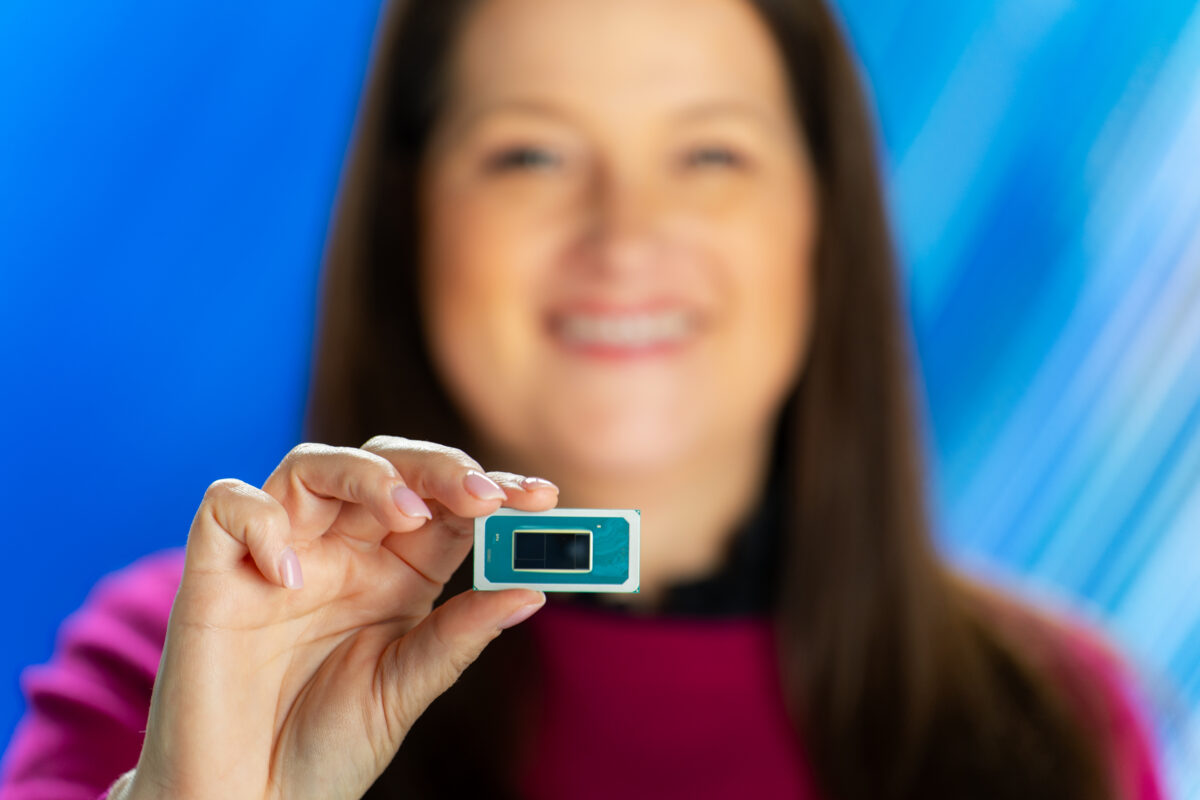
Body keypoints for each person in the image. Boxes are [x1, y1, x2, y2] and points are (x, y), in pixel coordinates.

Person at [0, 0, 1167, 798]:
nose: (624, 237)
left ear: (824, 222)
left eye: (711, 155)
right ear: (417, 221)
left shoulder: (1051, 717)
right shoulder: (194, 658)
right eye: (531, 156)